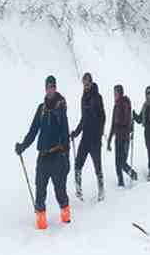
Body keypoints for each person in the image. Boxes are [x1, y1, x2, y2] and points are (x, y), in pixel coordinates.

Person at [15, 75, 71, 229]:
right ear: (45, 89)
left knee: (60, 191)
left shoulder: (61, 108)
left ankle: (66, 221)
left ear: (55, 88)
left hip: (58, 156)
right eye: (48, 87)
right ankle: (41, 226)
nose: (50, 89)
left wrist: (67, 158)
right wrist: (23, 146)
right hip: (43, 157)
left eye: (52, 86)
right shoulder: (41, 109)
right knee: (40, 190)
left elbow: (65, 134)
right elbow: (33, 131)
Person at [69, 72, 106, 202]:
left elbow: (103, 116)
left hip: (95, 139)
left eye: (87, 83)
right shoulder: (83, 98)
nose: (85, 86)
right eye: (84, 84)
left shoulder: (97, 97)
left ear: (91, 82)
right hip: (85, 138)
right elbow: (83, 119)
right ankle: (78, 192)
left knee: (97, 166)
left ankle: (101, 190)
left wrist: (100, 132)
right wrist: (76, 132)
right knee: (78, 164)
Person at [107, 84, 138, 186]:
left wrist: (120, 125)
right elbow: (113, 124)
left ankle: (133, 174)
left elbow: (126, 121)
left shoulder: (125, 104)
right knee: (117, 164)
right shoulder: (116, 106)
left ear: (120, 93)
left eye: (116, 93)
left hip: (124, 138)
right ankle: (121, 183)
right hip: (118, 139)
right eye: (114, 93)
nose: (114, 95)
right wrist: (109, 140)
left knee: (122, 163)